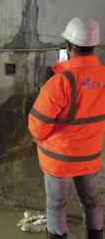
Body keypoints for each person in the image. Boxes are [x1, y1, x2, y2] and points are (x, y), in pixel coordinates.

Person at [28, 16, 105, 239]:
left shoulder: (61, 82)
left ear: (69, 46)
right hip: (90, 156)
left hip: (59, 159)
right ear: (94, 47)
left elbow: (37, 126)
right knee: (92, 202)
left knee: (56, 206)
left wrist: (40, 140)